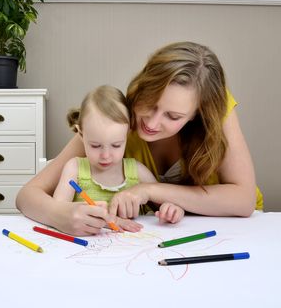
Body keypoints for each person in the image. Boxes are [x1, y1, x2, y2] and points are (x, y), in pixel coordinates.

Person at [16, 41, 263, 236]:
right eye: (150, 103)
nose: (152, 123)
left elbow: (243, 201)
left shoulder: (216, 111)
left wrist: (150, 190)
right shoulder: (115, 122)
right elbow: (28, 195)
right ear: (143, 86)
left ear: (196, 115)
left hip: (228, 233)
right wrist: (59, 214)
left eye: (173, 116)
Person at [52, 85, 185, 232]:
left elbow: (163, 202)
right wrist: (107, 220)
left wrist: (171, 209)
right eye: (95, 146)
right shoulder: (74, 169)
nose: (106, 155)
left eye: (116, 145)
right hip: (88, 249)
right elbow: (58, 210)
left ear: (127, 134)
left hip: (132, 248)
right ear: (81, 135)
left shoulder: (137, 171)